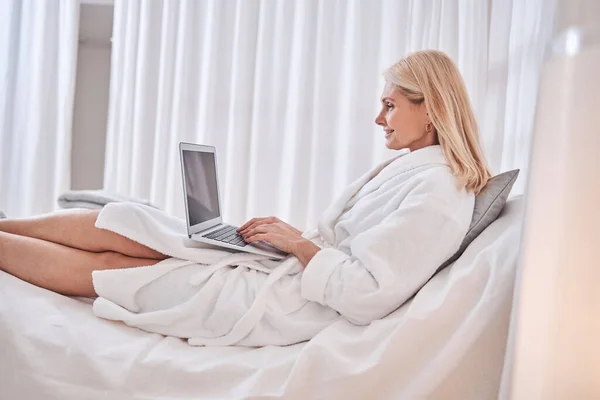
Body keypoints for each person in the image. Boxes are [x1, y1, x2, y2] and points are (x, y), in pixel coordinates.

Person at [0, 50, 491, 345]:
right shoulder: (413, 171)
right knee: (130, 219)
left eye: (390, 105)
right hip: (283, 276)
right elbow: (351, 251)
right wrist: (288, 241)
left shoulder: (438, 192)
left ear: (433, 110)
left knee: (115, 270)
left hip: (285, 304)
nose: (379, 118)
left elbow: (367, 294)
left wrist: (299, 245)